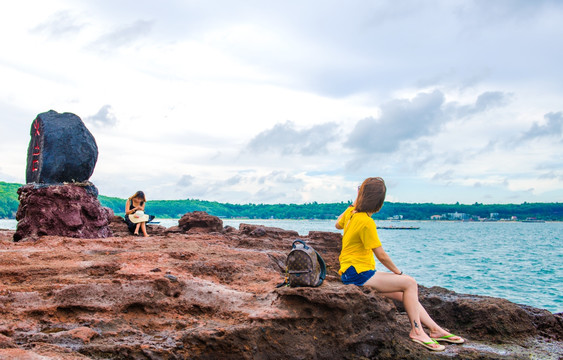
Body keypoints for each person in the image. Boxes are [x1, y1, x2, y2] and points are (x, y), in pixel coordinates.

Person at [335, 177, 464, 352]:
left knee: (406, 295)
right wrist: (398, 272)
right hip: (358, 274)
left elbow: (337, 224)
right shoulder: (366, 222)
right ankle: (417, 331)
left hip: (352, 272)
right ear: (379, 202)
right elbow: (381, 255)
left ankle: (435, 330)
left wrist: (354, 202)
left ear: (361, 195)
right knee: (409, 283)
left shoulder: (352, 213)